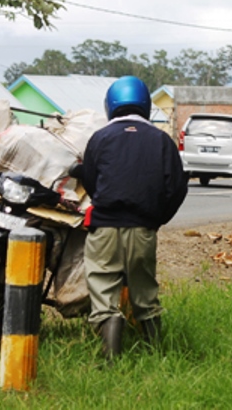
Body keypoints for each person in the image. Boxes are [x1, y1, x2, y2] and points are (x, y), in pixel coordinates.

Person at [82, 76, 188, 359]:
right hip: (143, 229)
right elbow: (177, 187)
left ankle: (110, 353)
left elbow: (90, 182)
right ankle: (155, 353)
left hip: (104, 227)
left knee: (103, 284)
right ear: (145, 104)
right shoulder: (161, 140)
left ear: (110, 104)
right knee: (145, 292)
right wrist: (156, 220)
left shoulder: (100, 137)